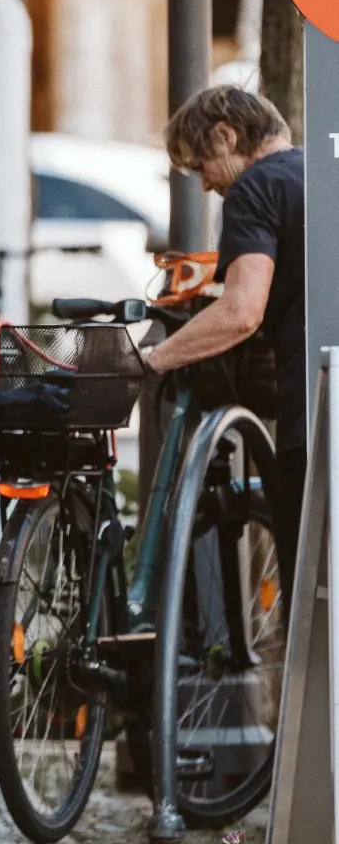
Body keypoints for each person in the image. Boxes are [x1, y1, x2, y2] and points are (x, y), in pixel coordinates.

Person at [143, 85, 305, 595]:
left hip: (319, 409)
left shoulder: (255, 190)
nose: (208, 186)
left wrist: (154, 360)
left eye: (200, 167)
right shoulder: (321, 173)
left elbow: (240, 312)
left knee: (313, 584)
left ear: (225, 134)